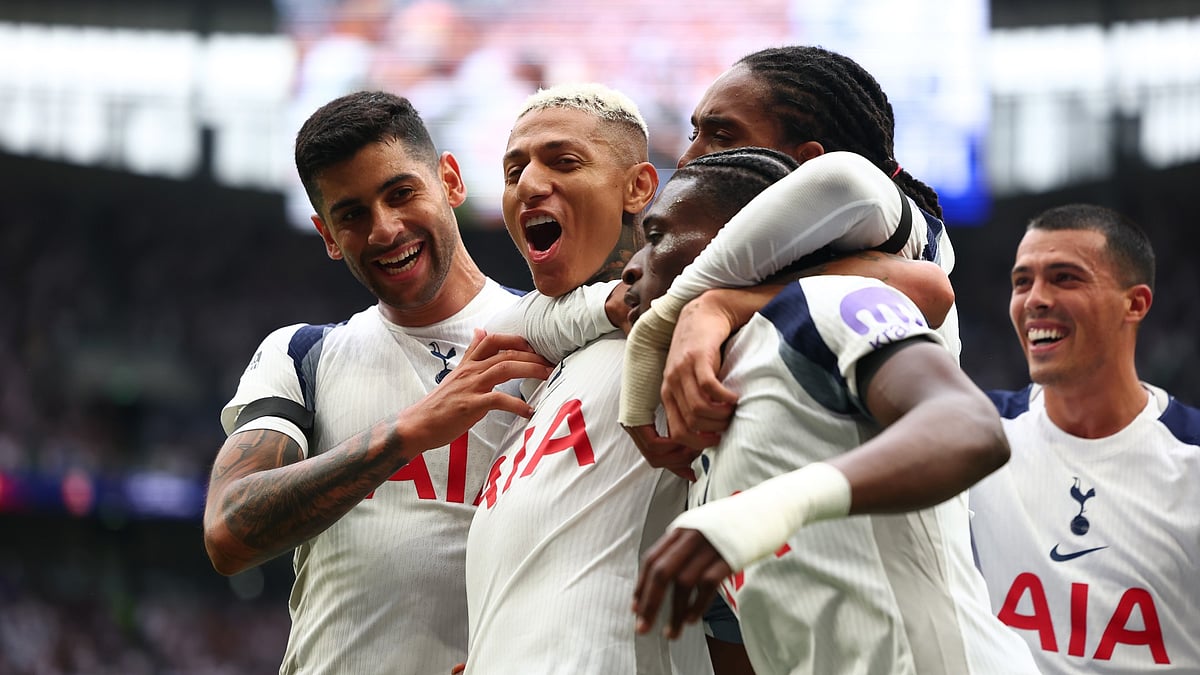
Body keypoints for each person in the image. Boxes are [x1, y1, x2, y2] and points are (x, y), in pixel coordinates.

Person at [624, 145, 1040, 674]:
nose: (632, 269)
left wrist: (769, 506)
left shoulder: (820, 306)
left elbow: (969, 428)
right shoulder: (705, 425)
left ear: (746, 242)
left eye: (656, 238)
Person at [201, 91, 557, 675]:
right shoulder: (300, 354)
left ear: (450, 180)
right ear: (327, 235)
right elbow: (228, 532)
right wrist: (406, 433)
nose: (385, 229)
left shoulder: (554, 339)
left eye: (401, 193)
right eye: (352, 214)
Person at [461, 82, 717, 675]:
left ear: (638, 187)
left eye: (563, 161)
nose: (527, 183)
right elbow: (517, 318)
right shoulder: (546, 364)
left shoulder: (691, 320)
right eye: (513, 169)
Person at [618, 44, 960, 462]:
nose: (687, 158)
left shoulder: (889, 221)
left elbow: (923, 282)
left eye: (722, 135)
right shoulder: (786, 270)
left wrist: (665, 320)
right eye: (694, 134)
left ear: (807, 161)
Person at [968, 203, 1200, 673]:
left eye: (1065, 277)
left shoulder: (1191, 460)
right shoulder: (973, 433)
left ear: (1134, 303)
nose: (1034, 298)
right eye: (1021, 281)